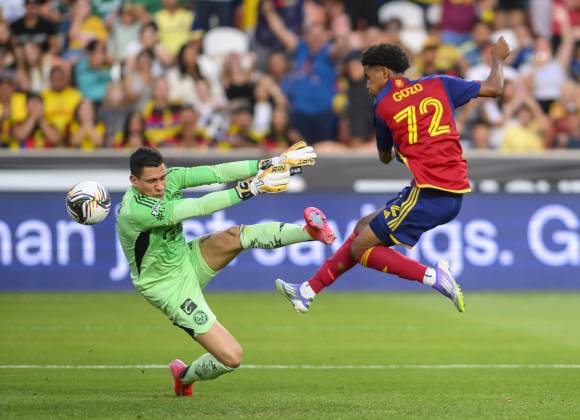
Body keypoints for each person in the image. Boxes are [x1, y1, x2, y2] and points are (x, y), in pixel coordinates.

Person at [276, 37, 511, 314]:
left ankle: (433, 277)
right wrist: (498, 59)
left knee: (360, 250)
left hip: (431, 193)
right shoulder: (439, 83)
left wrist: (402, 148)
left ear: (385, 73)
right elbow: (494, 88)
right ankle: (307, 291)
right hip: (447, 189)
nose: (367, 84)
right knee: (364, 225)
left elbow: (384, 156)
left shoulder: (383, 104)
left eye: (368, 77)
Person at [116, 144, 335, 396]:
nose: (160, 186)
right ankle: (184, 376)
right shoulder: (135, 211)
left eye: (162, 177)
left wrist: (269, 163)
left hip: (185, 258)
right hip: (166, 287)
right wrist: (251, 188)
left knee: (233, 236)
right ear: (134, 181)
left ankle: (309, 232)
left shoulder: (171, 179)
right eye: (152, 181)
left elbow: (218, 172)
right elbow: (198, 207)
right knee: (232, 357)